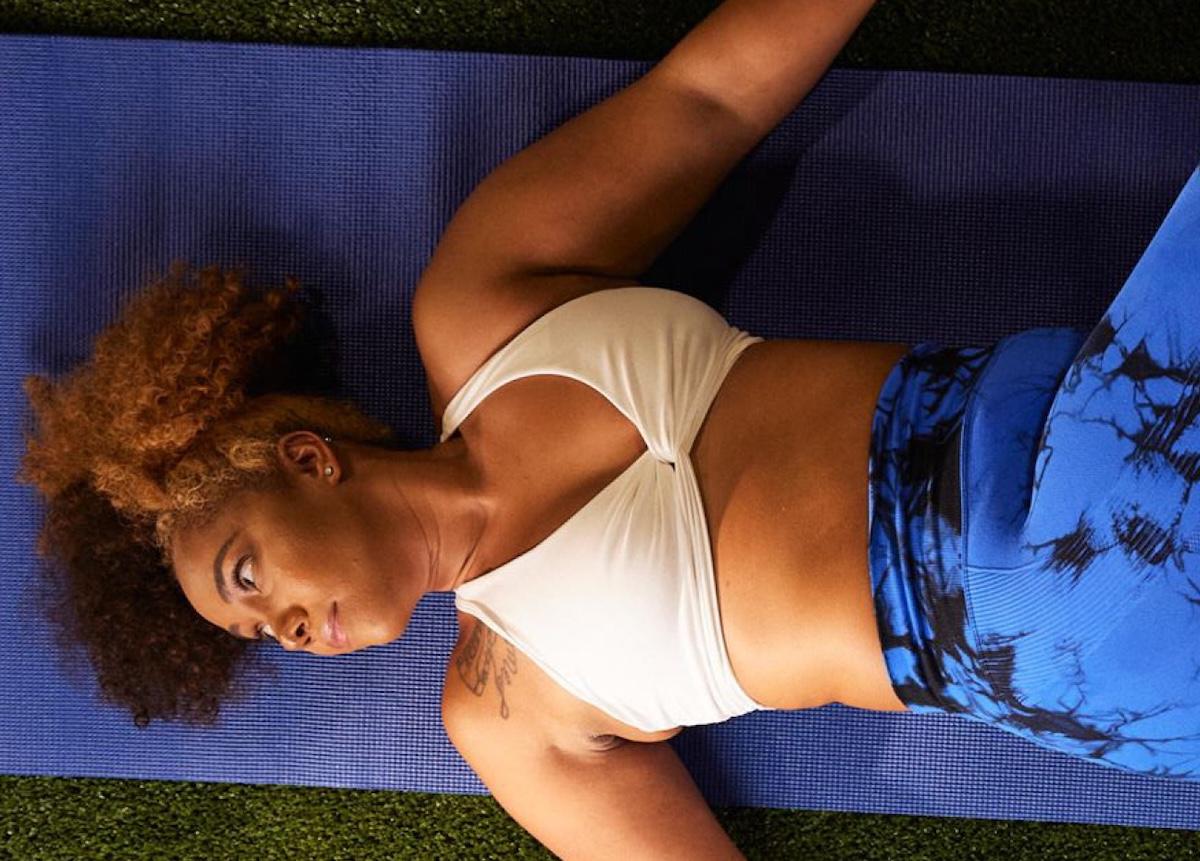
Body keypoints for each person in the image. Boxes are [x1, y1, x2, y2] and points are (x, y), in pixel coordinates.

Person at [16, 0, 1200, 856]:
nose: (283, 628)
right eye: (259, 634)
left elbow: (707, 99)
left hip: (1078, 413)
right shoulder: (502, 719)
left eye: (246, 575)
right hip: (1052, 635)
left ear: (306, 459)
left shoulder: (480, 306)